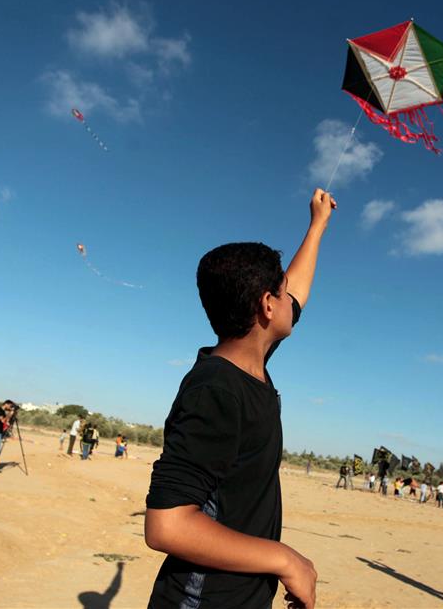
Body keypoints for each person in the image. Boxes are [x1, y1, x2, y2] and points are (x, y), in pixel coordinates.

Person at [144, 189, 334, 609]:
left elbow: (296, 291)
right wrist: (285, 559)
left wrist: (317, 225)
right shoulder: (216, 390)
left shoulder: (251, 364)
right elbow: (167, 525)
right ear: (267, 306)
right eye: (281, 293)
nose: (291, 300)